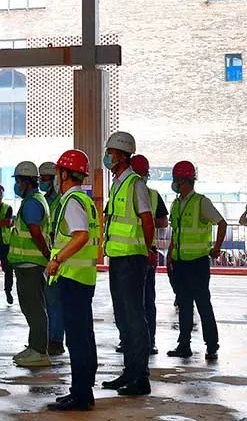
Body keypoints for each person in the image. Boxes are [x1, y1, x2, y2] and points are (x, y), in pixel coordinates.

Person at [101, 132, 156, 396]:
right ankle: (129, 371)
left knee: (134, 317)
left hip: (132, 260)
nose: (107, 156)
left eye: (111, 151)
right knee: (122, 316)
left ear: (122, 156)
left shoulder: (135, 184)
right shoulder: (118, 184)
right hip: (118, 258)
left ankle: (140, 377)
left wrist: (147, 251)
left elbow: (147, 220)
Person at [45, 150, 100, 412]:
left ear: (65, 174)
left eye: (57, 173)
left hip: (72, 278)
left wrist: (57, 260)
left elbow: (80, 236)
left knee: (77, 338)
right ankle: (83, 390)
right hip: (83, 278)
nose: (55, 178)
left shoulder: (72, 202)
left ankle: (80, 394)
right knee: (84, 335)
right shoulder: (85, 200)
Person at [167, 160, 225, 362]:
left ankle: (211, 345)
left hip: (198, 264)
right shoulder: (176, 204)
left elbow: (221, 223)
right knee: (184, 305)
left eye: (176, 180)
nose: (174, 183)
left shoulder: (201, 202)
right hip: (180, 263)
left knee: (202, 304)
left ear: (184, 180)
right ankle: (184, 344)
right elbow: (176, 232)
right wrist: (170, 254)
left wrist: (216, 248)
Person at [8, 160, 52, 368]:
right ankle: (34, 346)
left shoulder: (33, 203)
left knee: (33, 308)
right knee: (32, 307)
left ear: (25, 182)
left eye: (17, 181)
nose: (16, 186)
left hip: (30, 264)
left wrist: (46, 254)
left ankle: (39, 351)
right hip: (28, 264)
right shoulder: (35, 200)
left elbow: (35, 232)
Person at [131, 154, 168, 355]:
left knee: (146, 300)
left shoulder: (153, 195)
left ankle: (149, 340)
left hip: (146, 253)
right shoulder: (122, 191)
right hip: (127, 253)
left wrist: (146, 219)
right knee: (128, 302)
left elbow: (163, 222)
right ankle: (128, 340)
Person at [39, 160, 65, 355]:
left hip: (56, 257)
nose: (42, 182)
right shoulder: (44, 201)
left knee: (54, 301)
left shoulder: (61, 202)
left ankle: (56, 340)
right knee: (47, 302)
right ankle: (49, 337)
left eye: (45, 179)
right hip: (46, 256)